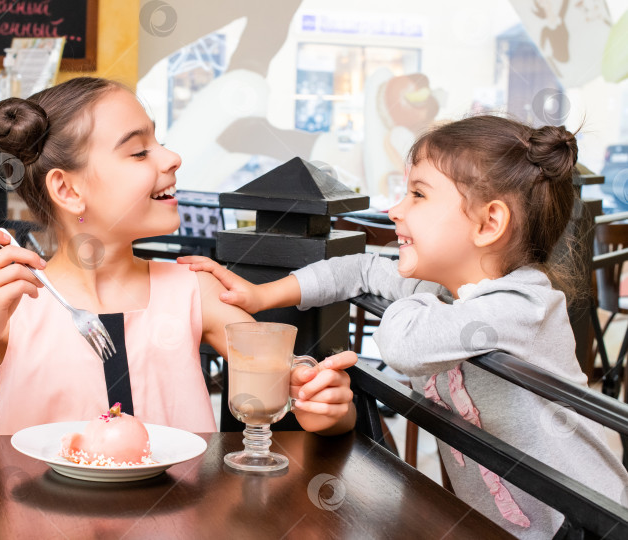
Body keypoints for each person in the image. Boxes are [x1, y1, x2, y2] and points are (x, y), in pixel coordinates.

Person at [0, 77, 356, 441]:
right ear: (68, 190)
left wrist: (324, 406)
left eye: (161, 141)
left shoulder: (190, 290)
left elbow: (289, 388)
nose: (171, 158)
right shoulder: (12, 301)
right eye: (138, 151)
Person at [179, 115, 628, 539]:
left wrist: (416, 293)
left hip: (589, 520)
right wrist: (264, 295)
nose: (395, 209)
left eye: (418, 194)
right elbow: (358, 269)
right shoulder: (448, 292)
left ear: (489, 223)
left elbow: (403, 343)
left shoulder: (521, 305)